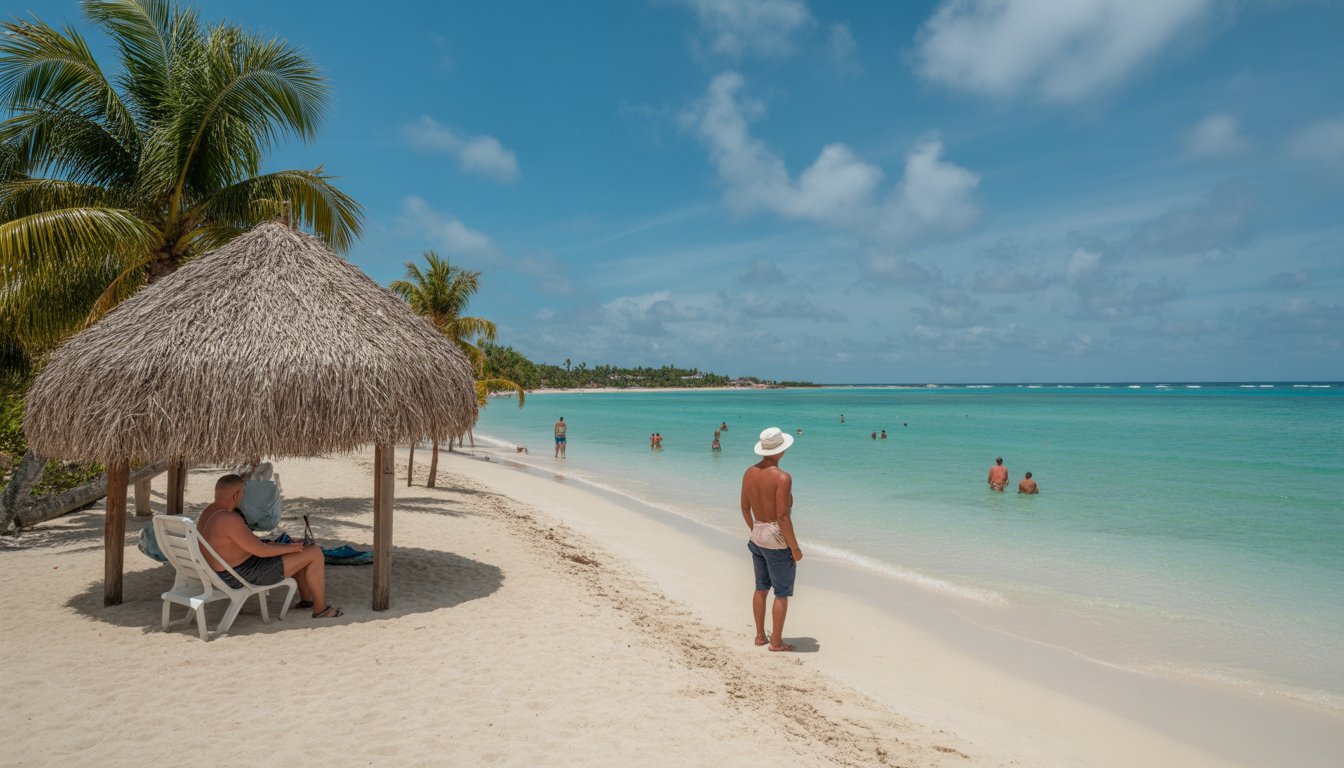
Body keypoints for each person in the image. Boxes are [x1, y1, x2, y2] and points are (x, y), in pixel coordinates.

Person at [197, 474, 341, 618]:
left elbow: (248, 544)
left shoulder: (209, 512)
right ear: (236, 494)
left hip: (223, 572)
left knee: (298, 552)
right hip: (240, 575)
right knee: (314, 552)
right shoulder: (228, 518)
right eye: (243, 493)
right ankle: (321, 609)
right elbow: (262, 551)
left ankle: (305, 602)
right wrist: (293, 548)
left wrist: (286, 546)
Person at [741, 427, 801, 652]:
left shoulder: (749, 473)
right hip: (776, 540)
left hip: (756, 537)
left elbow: (745, 508)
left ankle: (759, 636)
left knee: (760, 587)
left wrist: (756, 529)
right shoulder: (783, 477)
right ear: (781, 450)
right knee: (782, 592)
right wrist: (794, 548)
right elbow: (782, 517)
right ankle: (776, 641)